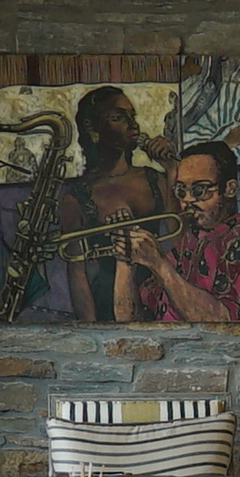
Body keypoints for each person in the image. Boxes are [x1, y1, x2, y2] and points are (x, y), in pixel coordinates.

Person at [55, 85, 173, 322]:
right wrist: (91, 331)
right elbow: (78, 275)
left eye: (132, 115)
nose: (133, 124)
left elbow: (182, 241)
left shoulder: (155, 180)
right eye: (118, 118)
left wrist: (171, 169)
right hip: (106, 305)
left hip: (159, 296)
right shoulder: (77, 196)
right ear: (93, 129)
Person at [126, 143, 240, 322]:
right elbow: (134, 318)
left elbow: (225, 323)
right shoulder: (193, 238)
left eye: (199, 190)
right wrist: (124, 263)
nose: (187, 200)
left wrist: (160, 265)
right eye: (181, 190)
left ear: (230, 189)